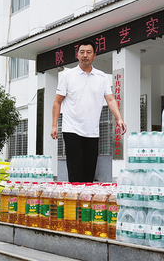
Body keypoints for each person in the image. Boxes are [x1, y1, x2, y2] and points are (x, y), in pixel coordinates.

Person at [50, 43, 127, 182]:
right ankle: (75, 196)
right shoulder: (68, 76)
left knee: (89, 173)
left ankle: (86, 197)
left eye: (89, 52)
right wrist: (54, 125)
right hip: (71, 129)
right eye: (82, 52)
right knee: (76, 170)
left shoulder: (102, 77)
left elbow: (110, 99)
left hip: (92, 131)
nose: (85, 55)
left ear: (94, 55)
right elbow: (57, 102)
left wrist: (119, 119)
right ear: (77, 55)